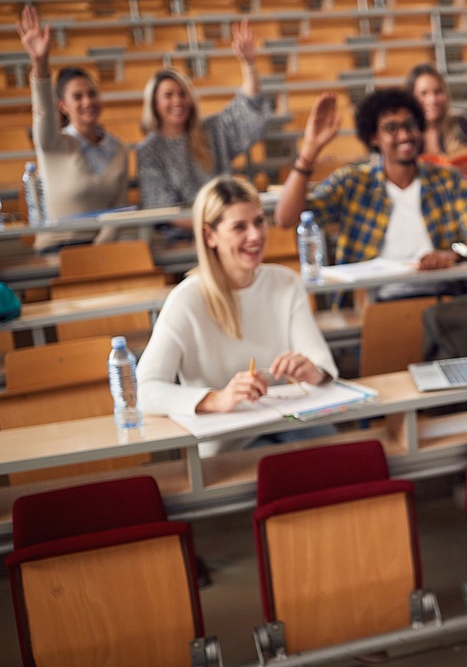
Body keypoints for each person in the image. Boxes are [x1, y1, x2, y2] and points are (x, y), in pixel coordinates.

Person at [137, 175, 338, 456]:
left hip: (288, 424)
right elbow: (145, 391)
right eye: (239, 227)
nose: (255, 235)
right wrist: (216, 399)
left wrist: (312, 372)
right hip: (229, 440)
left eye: (258, 221)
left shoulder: (285, 283)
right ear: (210, 236)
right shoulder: (186, 300)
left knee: (339, 453)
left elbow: (325, 367)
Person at [275, 88, 467, 283]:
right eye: (391, 128)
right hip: (375, 298)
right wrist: (309, 151)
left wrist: (454, 254)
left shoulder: (446, 180)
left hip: (441, 293)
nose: (404, 135)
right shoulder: (352, 182)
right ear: (373, 137)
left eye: (409, 125)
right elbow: (286, 219)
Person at [17, 6, 129, 253]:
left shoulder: (119, 148)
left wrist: (96, 251)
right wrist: (40, 63)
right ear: (63, 106)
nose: (87, 102)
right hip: (57, 248)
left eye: (92, 93)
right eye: (77, 97)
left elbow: (118, 210)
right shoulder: (53, 143)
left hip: (101, 250)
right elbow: (43, 112)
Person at [136, 19, 271, 214]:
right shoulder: (150, 150)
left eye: (183, 94)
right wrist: (208, 227)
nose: (177, 101)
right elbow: (162, 209)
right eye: (168, 95)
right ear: (154, 103)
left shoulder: (211, 131)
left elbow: (249, 106)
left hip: (224, 224)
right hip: (183, 235)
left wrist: (249, 63)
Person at [406, 63, 467, 184]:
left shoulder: (461, 122)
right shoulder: (405, 131)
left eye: (438, 91)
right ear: (411, 97)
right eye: (423, 93)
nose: (432, 100)